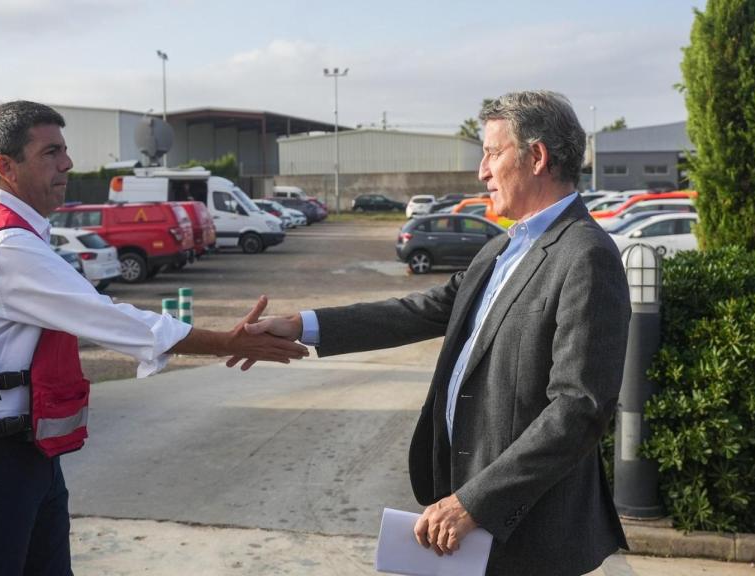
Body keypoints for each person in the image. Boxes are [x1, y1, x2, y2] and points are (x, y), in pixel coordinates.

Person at [240, 91, 631, 575]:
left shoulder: (585, 255)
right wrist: (304, 325)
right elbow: (417, 310)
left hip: (526, 535)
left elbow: (579, 408)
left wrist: (475, 502)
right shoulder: (501, 250)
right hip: (463, 519)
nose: (482, 172)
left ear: (536, 158)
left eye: (492, 152)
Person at [0, 100, 308, 576]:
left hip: (20, 450)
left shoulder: (4, 229)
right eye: (50, 152)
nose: (68, 163)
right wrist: (228, 342)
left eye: (64, 150)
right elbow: (111, 319)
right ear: (6, 167)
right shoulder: (8, 247)